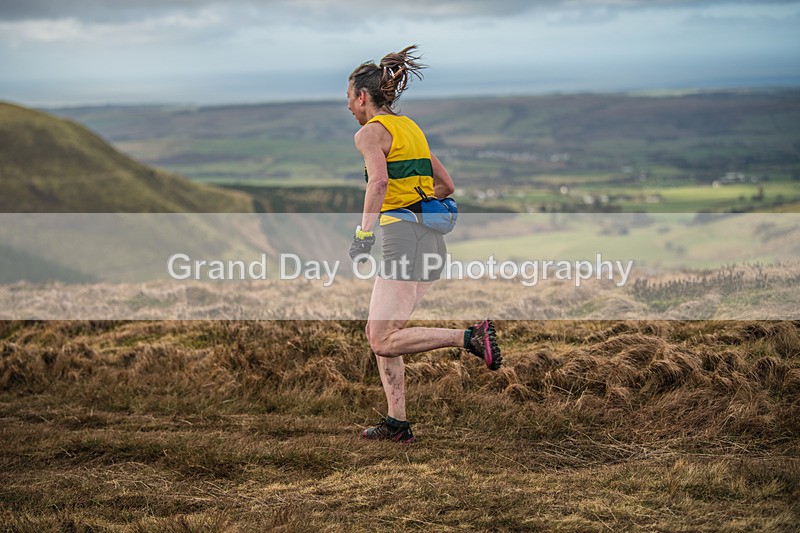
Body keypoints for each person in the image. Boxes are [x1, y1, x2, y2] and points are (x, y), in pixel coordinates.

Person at [346, 45, 502, 444]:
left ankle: (469, 337)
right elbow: (447, 186)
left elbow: (378, 183)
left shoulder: (369, 133)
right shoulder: (411, 128)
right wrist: (416, 200)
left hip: (402, 238)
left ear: (363, 96)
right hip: (430, 238)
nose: (348, 106)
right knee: (382, 332)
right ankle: (397, 423)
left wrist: (364, 234)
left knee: (381, 338)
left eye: (349, 98)